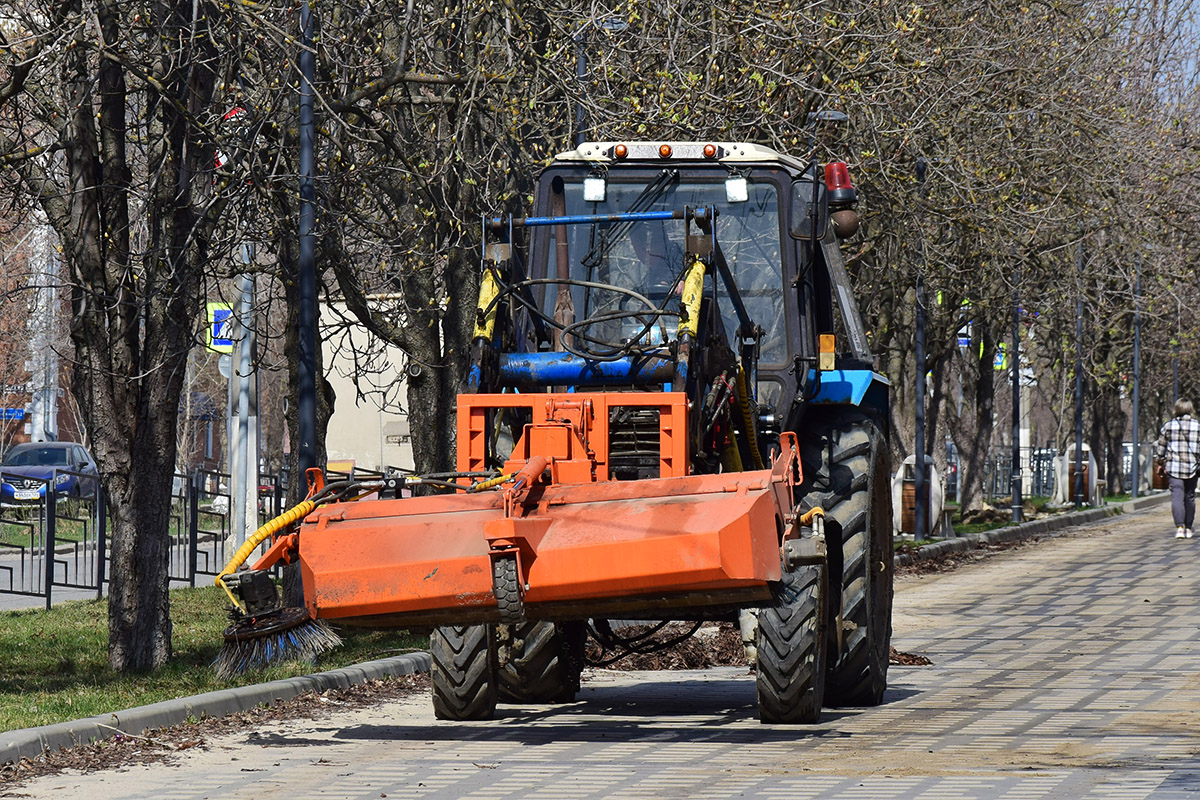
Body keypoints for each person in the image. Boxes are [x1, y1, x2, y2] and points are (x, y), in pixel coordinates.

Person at [1155, 399, 1200, 539]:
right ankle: (1188, 528)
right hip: (1193, 467)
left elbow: (1161, 448)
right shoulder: (1198, 426)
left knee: (1177, 496)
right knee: (1190, 497)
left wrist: (1160, 462)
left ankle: (1179, 527)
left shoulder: (1168, 426)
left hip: (1174, 467)